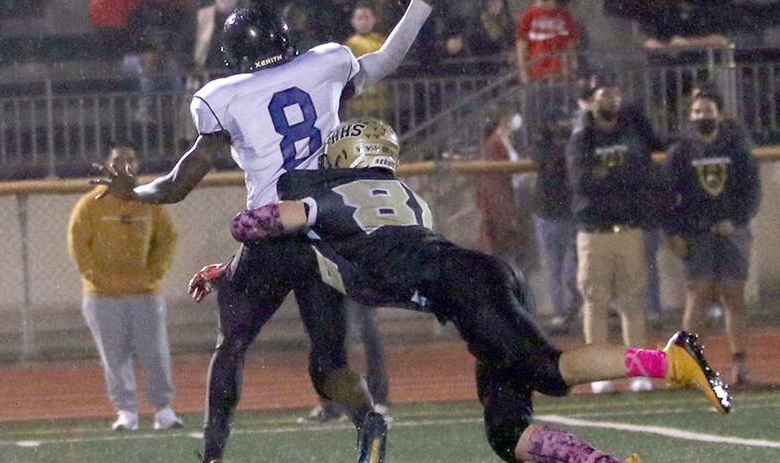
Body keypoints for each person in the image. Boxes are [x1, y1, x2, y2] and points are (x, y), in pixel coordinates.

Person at [202, 116, 731, 463]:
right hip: (473, 283)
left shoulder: (332, 197)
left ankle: (669, 361)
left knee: (545, 369)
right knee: (507, 432)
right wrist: (236, 268)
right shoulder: (406, 196)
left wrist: (271, 224)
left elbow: (254, 224)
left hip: (466, 286)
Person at [93, 0, 446, 463]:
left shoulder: (224, 97)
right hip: (325, 225)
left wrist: (136, 193)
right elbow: (386, 59)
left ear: (235, 53)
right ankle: (368, 420)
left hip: (270, 231)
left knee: (232, 346)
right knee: (327, 362)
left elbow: (178, 185)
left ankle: (213, 454)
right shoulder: (324, 63)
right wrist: (422, 2)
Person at [68, 145, 184, 432]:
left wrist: (155, 271)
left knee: (154, 353)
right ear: (108, 166)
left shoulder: (149, 201)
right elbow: (78, 242)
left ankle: (163, 410)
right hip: (102, 296)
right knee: (114, 356)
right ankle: (126, 411)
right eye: (118, 161)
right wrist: (92, 274)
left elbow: (167, 239)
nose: (124, 165)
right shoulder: (91, 204)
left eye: (130, 159)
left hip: (145, 293)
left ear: (138, 164)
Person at [566, 84, 666, 394]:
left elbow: (644, 168)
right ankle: (598, 374)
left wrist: (609, 177)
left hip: (628, 228)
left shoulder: (631, 132)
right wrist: (621, 179)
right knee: (595, 303)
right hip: (594, 232)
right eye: (604, 97)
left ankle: (638, 370)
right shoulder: (582, 137)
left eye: (615, 95)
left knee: (633, 302)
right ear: (592, 104)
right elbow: (582, 181)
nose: (611, 101)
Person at [664, 90, 760, 386]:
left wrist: (737, 219)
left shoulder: (737, 146)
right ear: (690, 116)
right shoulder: (680, 151)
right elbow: (668, 196)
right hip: (697, 232)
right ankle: (687, 364)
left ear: (720, 112)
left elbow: (752, 190)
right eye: (697, 112)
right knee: (698, 295)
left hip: (732, 232)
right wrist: (674, 232)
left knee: (734, 296)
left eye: (707, 110)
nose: (702, 116)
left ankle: (740, 363)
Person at [532, 107, 580, 332]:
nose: (559, 127)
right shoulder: (541, 143)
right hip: (547, 213)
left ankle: (572, 307)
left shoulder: (573, 141)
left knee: (571, 269)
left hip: (569, 213)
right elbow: (545, 159)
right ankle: (561, 313)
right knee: (554, 268)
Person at [475, 105, 527, 266]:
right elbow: (495, 181)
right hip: (502, 201)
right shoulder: (494, 144)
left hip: (512, 193)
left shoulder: (504, 140)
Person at [515, 0, 578, 85]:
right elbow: (521, 48)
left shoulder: (564, 15)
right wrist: (524, 74)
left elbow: (571, 44)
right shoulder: (527, 16)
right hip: (536, 76)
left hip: (561, 76)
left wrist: (572, 68)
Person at [342, 1, 388, 119]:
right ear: (353, 21)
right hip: (355, 104)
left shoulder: (382, 42)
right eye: (360, 18)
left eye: (367, 18)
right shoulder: (348, 45)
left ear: (374, 19)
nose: (364, 22)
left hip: (380, 102)